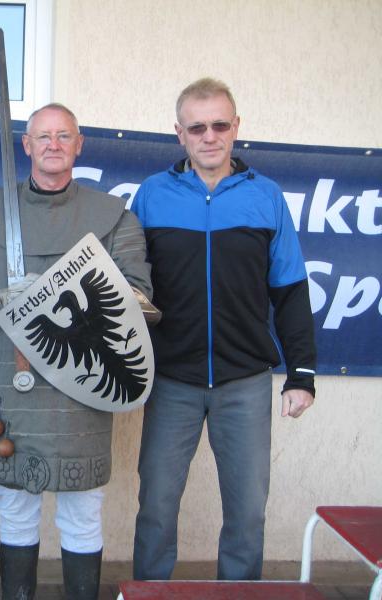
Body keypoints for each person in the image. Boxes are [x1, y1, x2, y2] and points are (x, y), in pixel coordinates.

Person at [0, 103, 153, 599]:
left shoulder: (114, 216)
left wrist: (56, 298)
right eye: (43, 136)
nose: (53, 145)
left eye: (63, 135)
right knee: (15, 507)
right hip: (7, 385)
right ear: (26, 145)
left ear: (79, 145)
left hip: (83, 381)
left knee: (82, 511)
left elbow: (139, 298)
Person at [131, 77, 316, 581]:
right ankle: (150, 592)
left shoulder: (266, 196)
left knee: (248, 513)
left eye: (219, 125)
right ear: (179, 134)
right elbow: (126, 286)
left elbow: (291, 290)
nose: (209, 136)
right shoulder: (152, 195)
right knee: (156, 507)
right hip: (171, 380)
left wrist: (301, 374)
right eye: (197, 127)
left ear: (236, 127)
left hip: (244, 382)